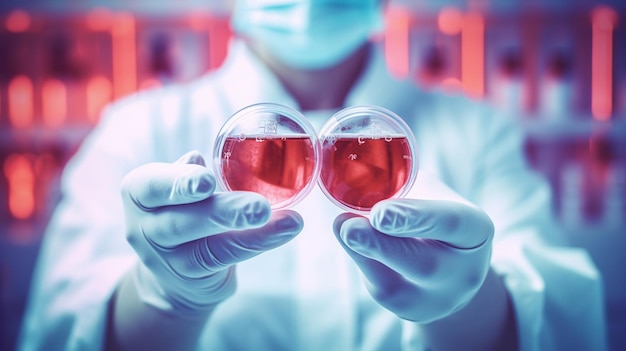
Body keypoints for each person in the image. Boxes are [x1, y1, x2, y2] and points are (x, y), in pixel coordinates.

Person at [18, 0, 607, 350]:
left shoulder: (476, 129)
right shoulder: (136, 129)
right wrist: (163, 299)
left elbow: (566, 323)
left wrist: (471, 306)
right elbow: (57, 329)